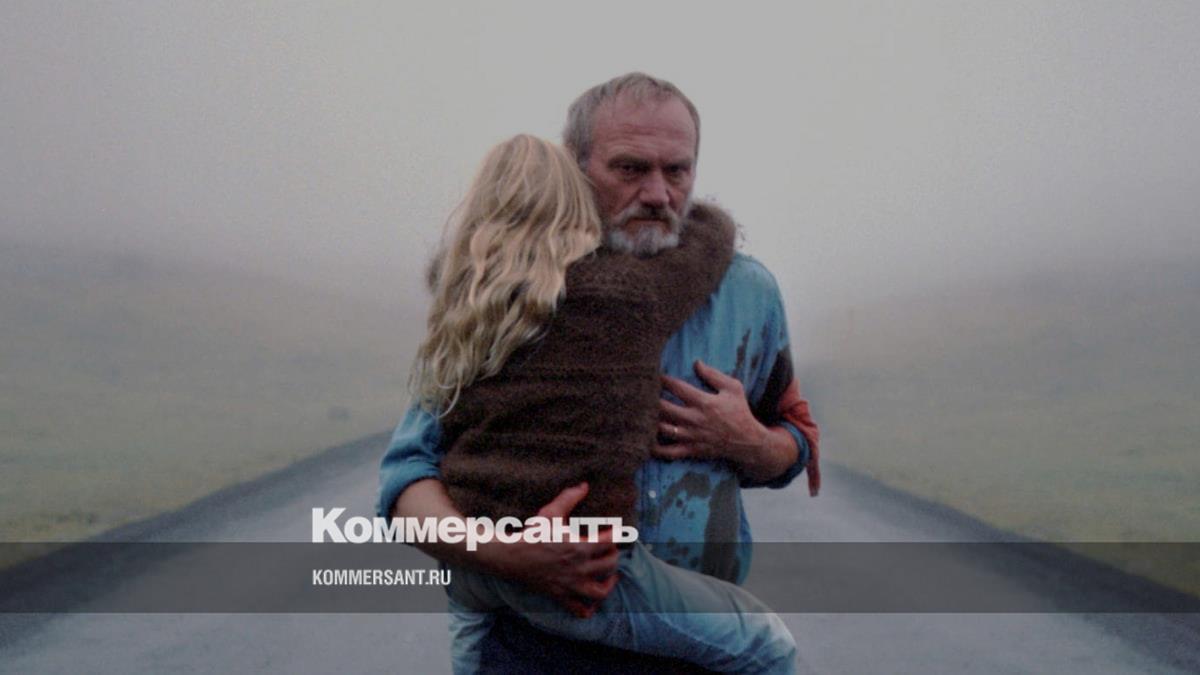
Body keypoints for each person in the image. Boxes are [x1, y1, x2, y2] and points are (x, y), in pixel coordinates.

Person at [379, 72, 820, 672]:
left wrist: (749, 442)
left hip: (697, 647)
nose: (658, 194)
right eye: (630, 169)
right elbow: (407, 476)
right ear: (576, 166)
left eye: (677, 171)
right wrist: (503, 556)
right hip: (536, 649)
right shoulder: (518, 287)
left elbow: (795, 440)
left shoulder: (751, 292)